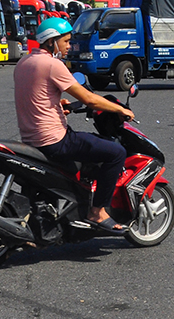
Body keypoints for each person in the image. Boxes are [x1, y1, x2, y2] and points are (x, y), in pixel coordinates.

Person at [14, 17, 135, 234]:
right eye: (66, 41)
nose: (69, 46)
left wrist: (58, 105)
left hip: (31, 138)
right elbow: (89, 99)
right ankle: (97, 212)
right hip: (55, 140)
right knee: (116, 152)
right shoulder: (52, 64)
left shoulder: (24, 62)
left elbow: (34, 96)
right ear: (51, 42)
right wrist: (120, 110)